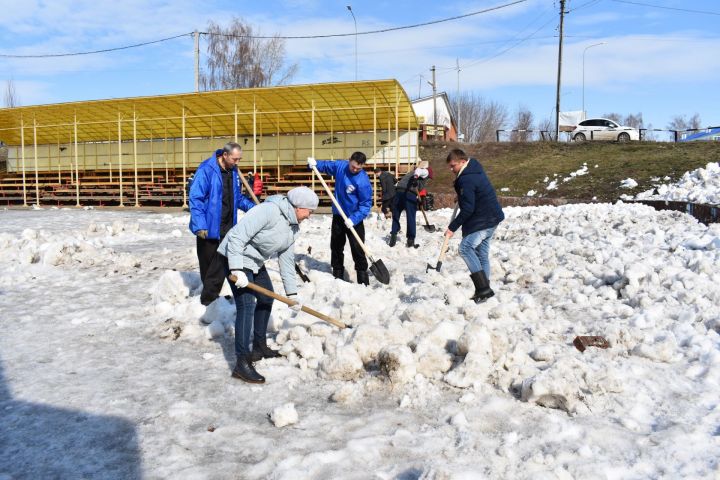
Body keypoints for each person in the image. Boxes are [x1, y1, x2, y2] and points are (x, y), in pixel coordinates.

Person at [218, 186, 319, 383]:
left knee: (266, 298)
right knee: (246, 305)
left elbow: (287, 261)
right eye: (310, 211)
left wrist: (292, 295)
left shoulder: (293, 227)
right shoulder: (268, 211)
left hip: (255, 261)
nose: (310, 216)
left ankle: (259, 346)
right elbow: (237, 237)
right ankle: (242, 362)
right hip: (235, 256)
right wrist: (237, 269)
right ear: (299, 207)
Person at [189, 143, 256, 306]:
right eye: (235, 159)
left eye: (239, 159)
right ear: (225, 155)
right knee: (207, 264)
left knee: (221, 262)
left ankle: (209, 298)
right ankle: (210, 300)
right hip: (208, 226)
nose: (237, 163)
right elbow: (195, 197)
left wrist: (256, 209)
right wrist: (199, 225)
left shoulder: (233, 171)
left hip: (228, 225)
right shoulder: (207, 169)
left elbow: (238, 198)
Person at [444, 149, 504, 303]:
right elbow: (475, 192)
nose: (451, 170)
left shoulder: (466, 179)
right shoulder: (474, 169)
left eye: (453, 166)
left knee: (465, 248)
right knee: (481, 253)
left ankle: (483, 289)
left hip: (483, 219)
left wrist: (452, 227)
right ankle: (486, 287)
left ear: (462, 162)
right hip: (492, 217)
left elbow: (468, 209)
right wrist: (463, 195)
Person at [307, 152, 373, 285]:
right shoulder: (341, 166)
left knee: (358, 249)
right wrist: (315, 164)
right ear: (349, 160)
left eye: (358, 168)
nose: (355, 170)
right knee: (336, 246)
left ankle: (363, 279)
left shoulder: (363, 181)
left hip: (354, 219)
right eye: (353, 166)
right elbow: (326, 166)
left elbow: (365, 205)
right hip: (338, 215)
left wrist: (353, 219)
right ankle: (337, 275)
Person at [389, 161, 430, 248]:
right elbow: (419, 171)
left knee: (396, 215)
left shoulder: (409, 173)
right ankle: (410, 241)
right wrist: (415, 178)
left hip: (398, 192)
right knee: (411, 216)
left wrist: (419, 200)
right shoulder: (425, 171)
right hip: (409, 194)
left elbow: (417, 189)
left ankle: (393, 237)